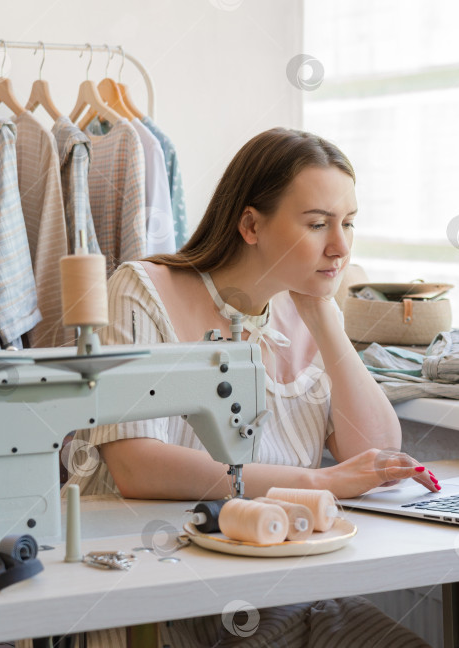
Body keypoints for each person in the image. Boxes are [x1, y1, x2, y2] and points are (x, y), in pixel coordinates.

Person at [67, 127, 438, 647]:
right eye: (317, 224)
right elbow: (137, 466)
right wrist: (318, 483)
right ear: (250, 224)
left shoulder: (305, 309)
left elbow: (377, 453)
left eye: (348, 224)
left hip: (283, 587)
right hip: (161, 590)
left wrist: (323, 315)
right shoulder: (141, 291)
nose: (340, 246)